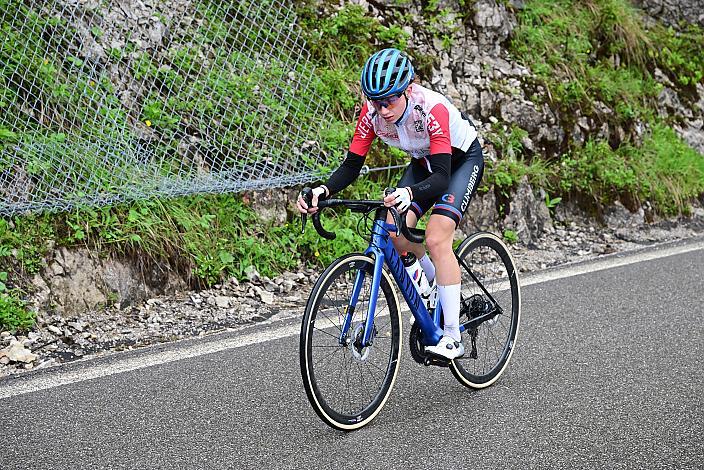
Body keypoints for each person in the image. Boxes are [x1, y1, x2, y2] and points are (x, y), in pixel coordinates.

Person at [296, 48, 484, 360]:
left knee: (437, 238)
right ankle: (431, 285)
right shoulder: (371, 115)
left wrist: (411, 194)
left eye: (390, 100)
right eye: (375, 101)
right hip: (425, 163)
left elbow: (440, 178)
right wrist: (322, 191)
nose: (382, 109)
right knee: (392, 227)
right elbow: (351, 166)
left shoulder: (431, 109)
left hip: (459, 162)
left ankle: (452, 337)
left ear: (408, 90)